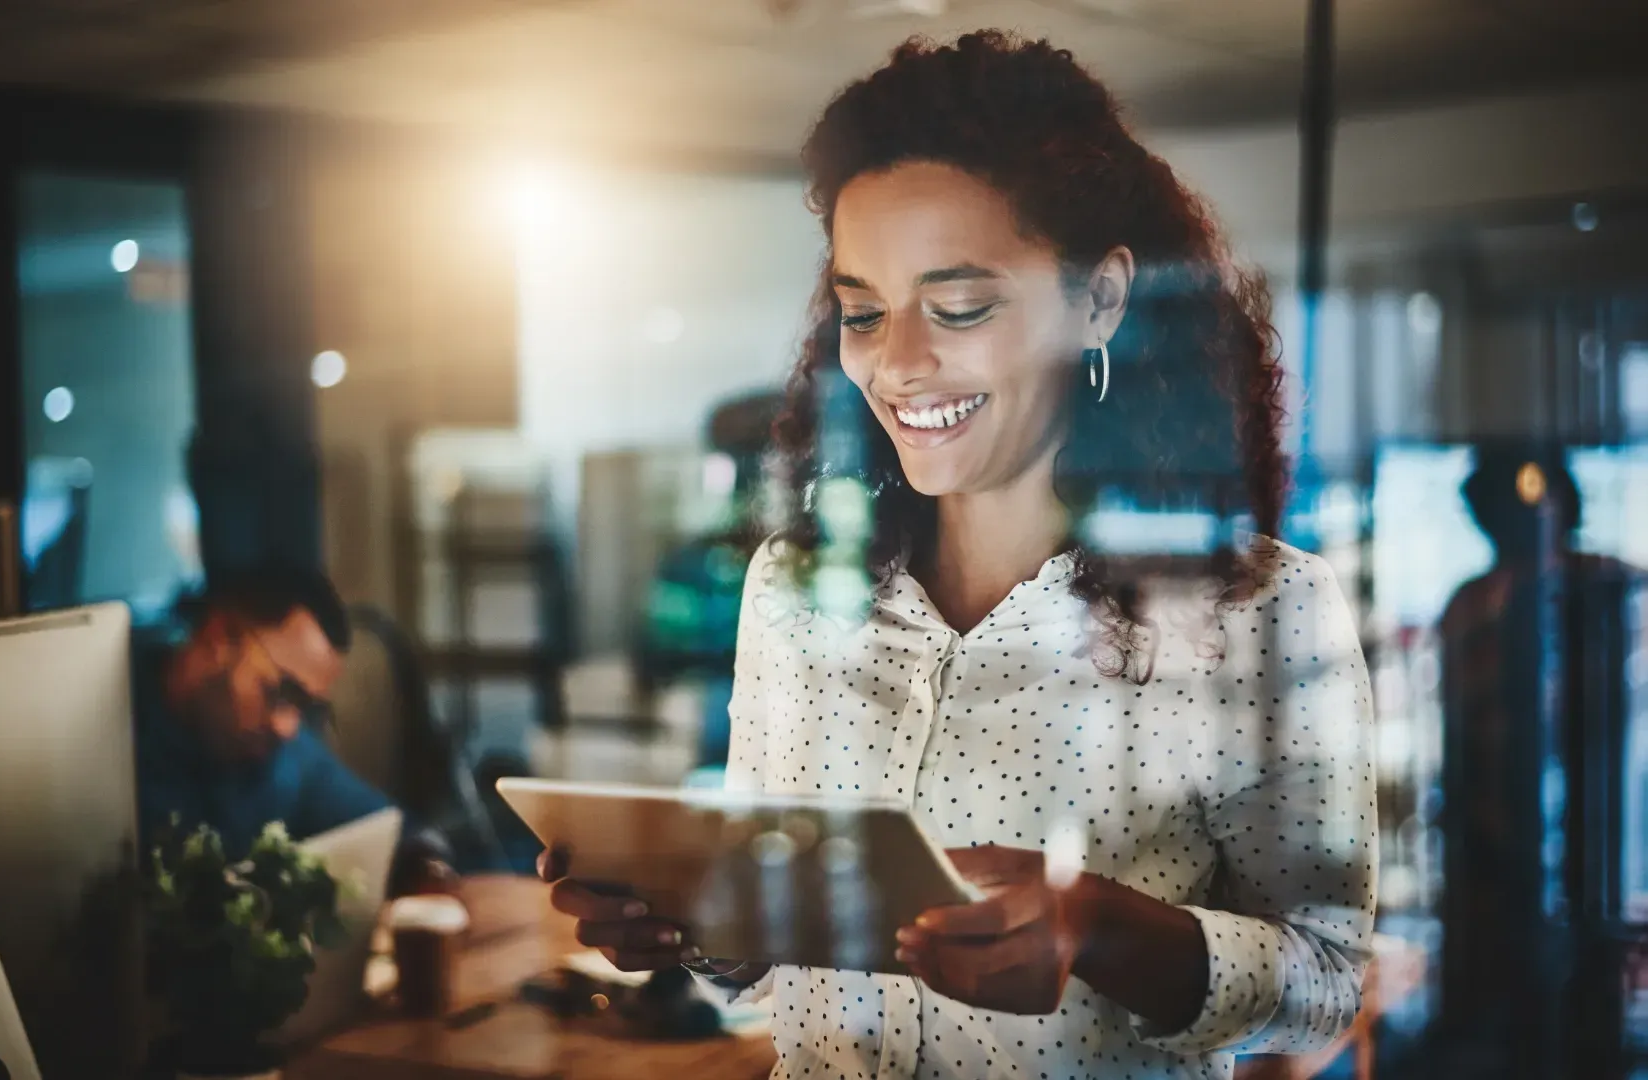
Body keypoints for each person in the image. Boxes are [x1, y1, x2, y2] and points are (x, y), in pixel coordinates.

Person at [541, 31, 1377, 1080]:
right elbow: (762, 960)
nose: (896, 363)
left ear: (1100, 301)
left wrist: (1098, 929)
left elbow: (1328, 986)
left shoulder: (1256, 611)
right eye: (861, 312)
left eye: (961, 307)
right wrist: (691, 925)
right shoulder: (795, 591)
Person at [1438, 445, 1641, 1074]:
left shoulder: (1597, 585)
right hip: (1496, 844)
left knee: (1575, 1016)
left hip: (1583, 845)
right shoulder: (1477, 603)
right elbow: (1464, 734)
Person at [133, 566, 452, 893]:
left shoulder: (285, 758)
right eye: (282, 692)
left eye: (307, 707)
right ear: (220, 637)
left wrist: (427, 867)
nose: (286, 728)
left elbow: (399, 834)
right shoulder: (115, 741)